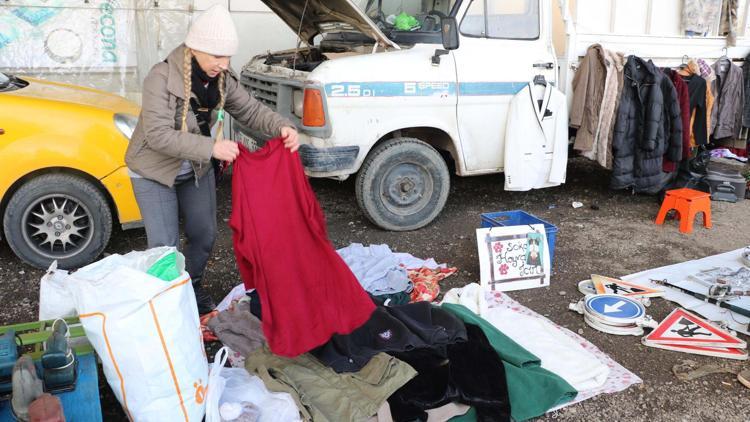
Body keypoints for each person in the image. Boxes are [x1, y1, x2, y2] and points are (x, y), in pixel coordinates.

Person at [125, 4, 298, 314]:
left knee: (204, 234)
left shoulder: (221, 79)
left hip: (194, 167)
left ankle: (191, 287)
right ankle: (168, 303)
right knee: (165, 248)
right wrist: (212, 149)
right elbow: (158, 136)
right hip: (154, 171)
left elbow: (250, 110)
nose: (224, 63)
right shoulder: (160, 78)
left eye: (228, 56)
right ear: (194, 48)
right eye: (217, 56)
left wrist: (282, 126)